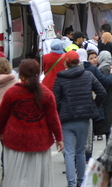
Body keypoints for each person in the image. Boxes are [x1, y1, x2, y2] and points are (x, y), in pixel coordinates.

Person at [0, 59, 64, 187]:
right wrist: (59, 138)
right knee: (37, 178)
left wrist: (1, 133)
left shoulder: (11, 93)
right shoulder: (46, 94)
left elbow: (2, 116)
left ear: (21, 75)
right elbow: (53, 118)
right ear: (38, 74)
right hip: (40, 141)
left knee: (14, 177)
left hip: (14, 140)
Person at [54, 51, 106, 187]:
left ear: (65, 63)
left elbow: (56, 100)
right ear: (79, 62)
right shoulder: (88, 75)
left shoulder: (60, 78)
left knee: (69, 152)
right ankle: (81, 181)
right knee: (81, 152)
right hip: (84, 118)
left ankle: (71, 183)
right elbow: (102, 92)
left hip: (66, 118)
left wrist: (59, 112)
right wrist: (93, 106)